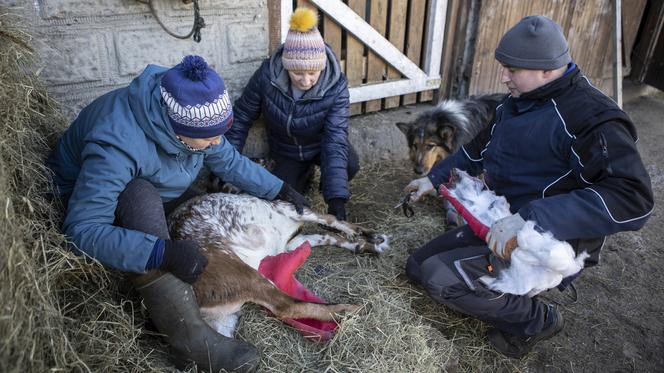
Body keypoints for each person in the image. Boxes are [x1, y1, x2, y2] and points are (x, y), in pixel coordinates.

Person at [403, 15, 653, 358]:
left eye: (512, 69)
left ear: (547, 70)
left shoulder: (592, 119)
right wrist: (432, 178)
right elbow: (478, 149)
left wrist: (531, 218)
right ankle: (503, 285)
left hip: (548, 239)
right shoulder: (518, 100)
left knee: (438, 278)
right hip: (504, 217)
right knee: (417, 266)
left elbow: (633, 197)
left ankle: (538, 319)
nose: (503, 76)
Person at [46, 55, 309, 372]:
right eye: (210, 136)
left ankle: (188, 294)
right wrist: (160, 252)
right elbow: (82, 231)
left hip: (156, 183)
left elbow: (226, 158)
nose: (216, 140)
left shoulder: (190, 117)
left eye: (219, 131)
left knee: (203, 216)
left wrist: (277, 189)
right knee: (140, 197)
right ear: (177, 129)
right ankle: (190, 339)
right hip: (97, 201)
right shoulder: (115, 145)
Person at [224, 7, 359, 221]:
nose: (305, 81)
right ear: (286, 66)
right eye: (297, 73)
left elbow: (335, 139)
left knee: (349, 164)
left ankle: (324, 183)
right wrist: (226, 166)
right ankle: (303, 175)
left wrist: (336, 200)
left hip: (319, 146)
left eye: (312, 73)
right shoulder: (267, 76)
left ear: (322, 67)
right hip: (286, 150)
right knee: (282, 202)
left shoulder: (336, 86)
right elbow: (241, 116)